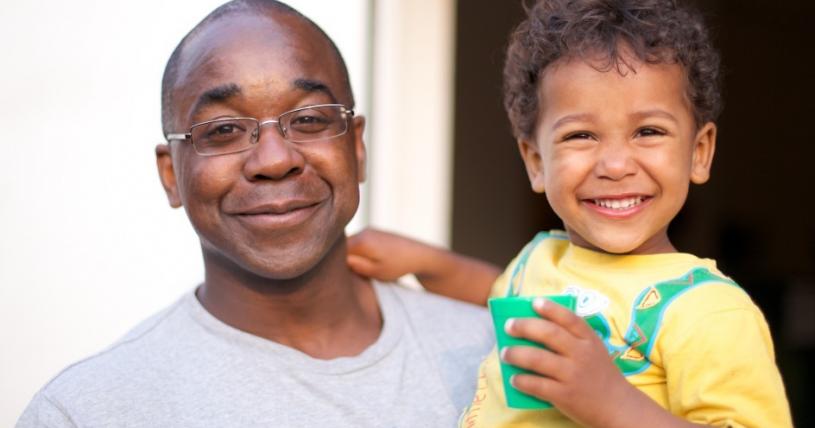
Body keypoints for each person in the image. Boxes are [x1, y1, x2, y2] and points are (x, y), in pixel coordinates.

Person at [16, 1, 493, 427]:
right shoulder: (86, 412)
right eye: (222, 130)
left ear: (356, 147)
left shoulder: (495, 356)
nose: (274, 160)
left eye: (308, 120)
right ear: (171, 176)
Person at [346, 0, 793, 426]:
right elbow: (497, 292)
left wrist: (615, 405)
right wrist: (426, 262)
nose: (615, 166)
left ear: (698, 153)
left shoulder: (710, 311)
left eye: (649, 131)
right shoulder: (544, 259)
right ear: (536, 162)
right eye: (581, 136)